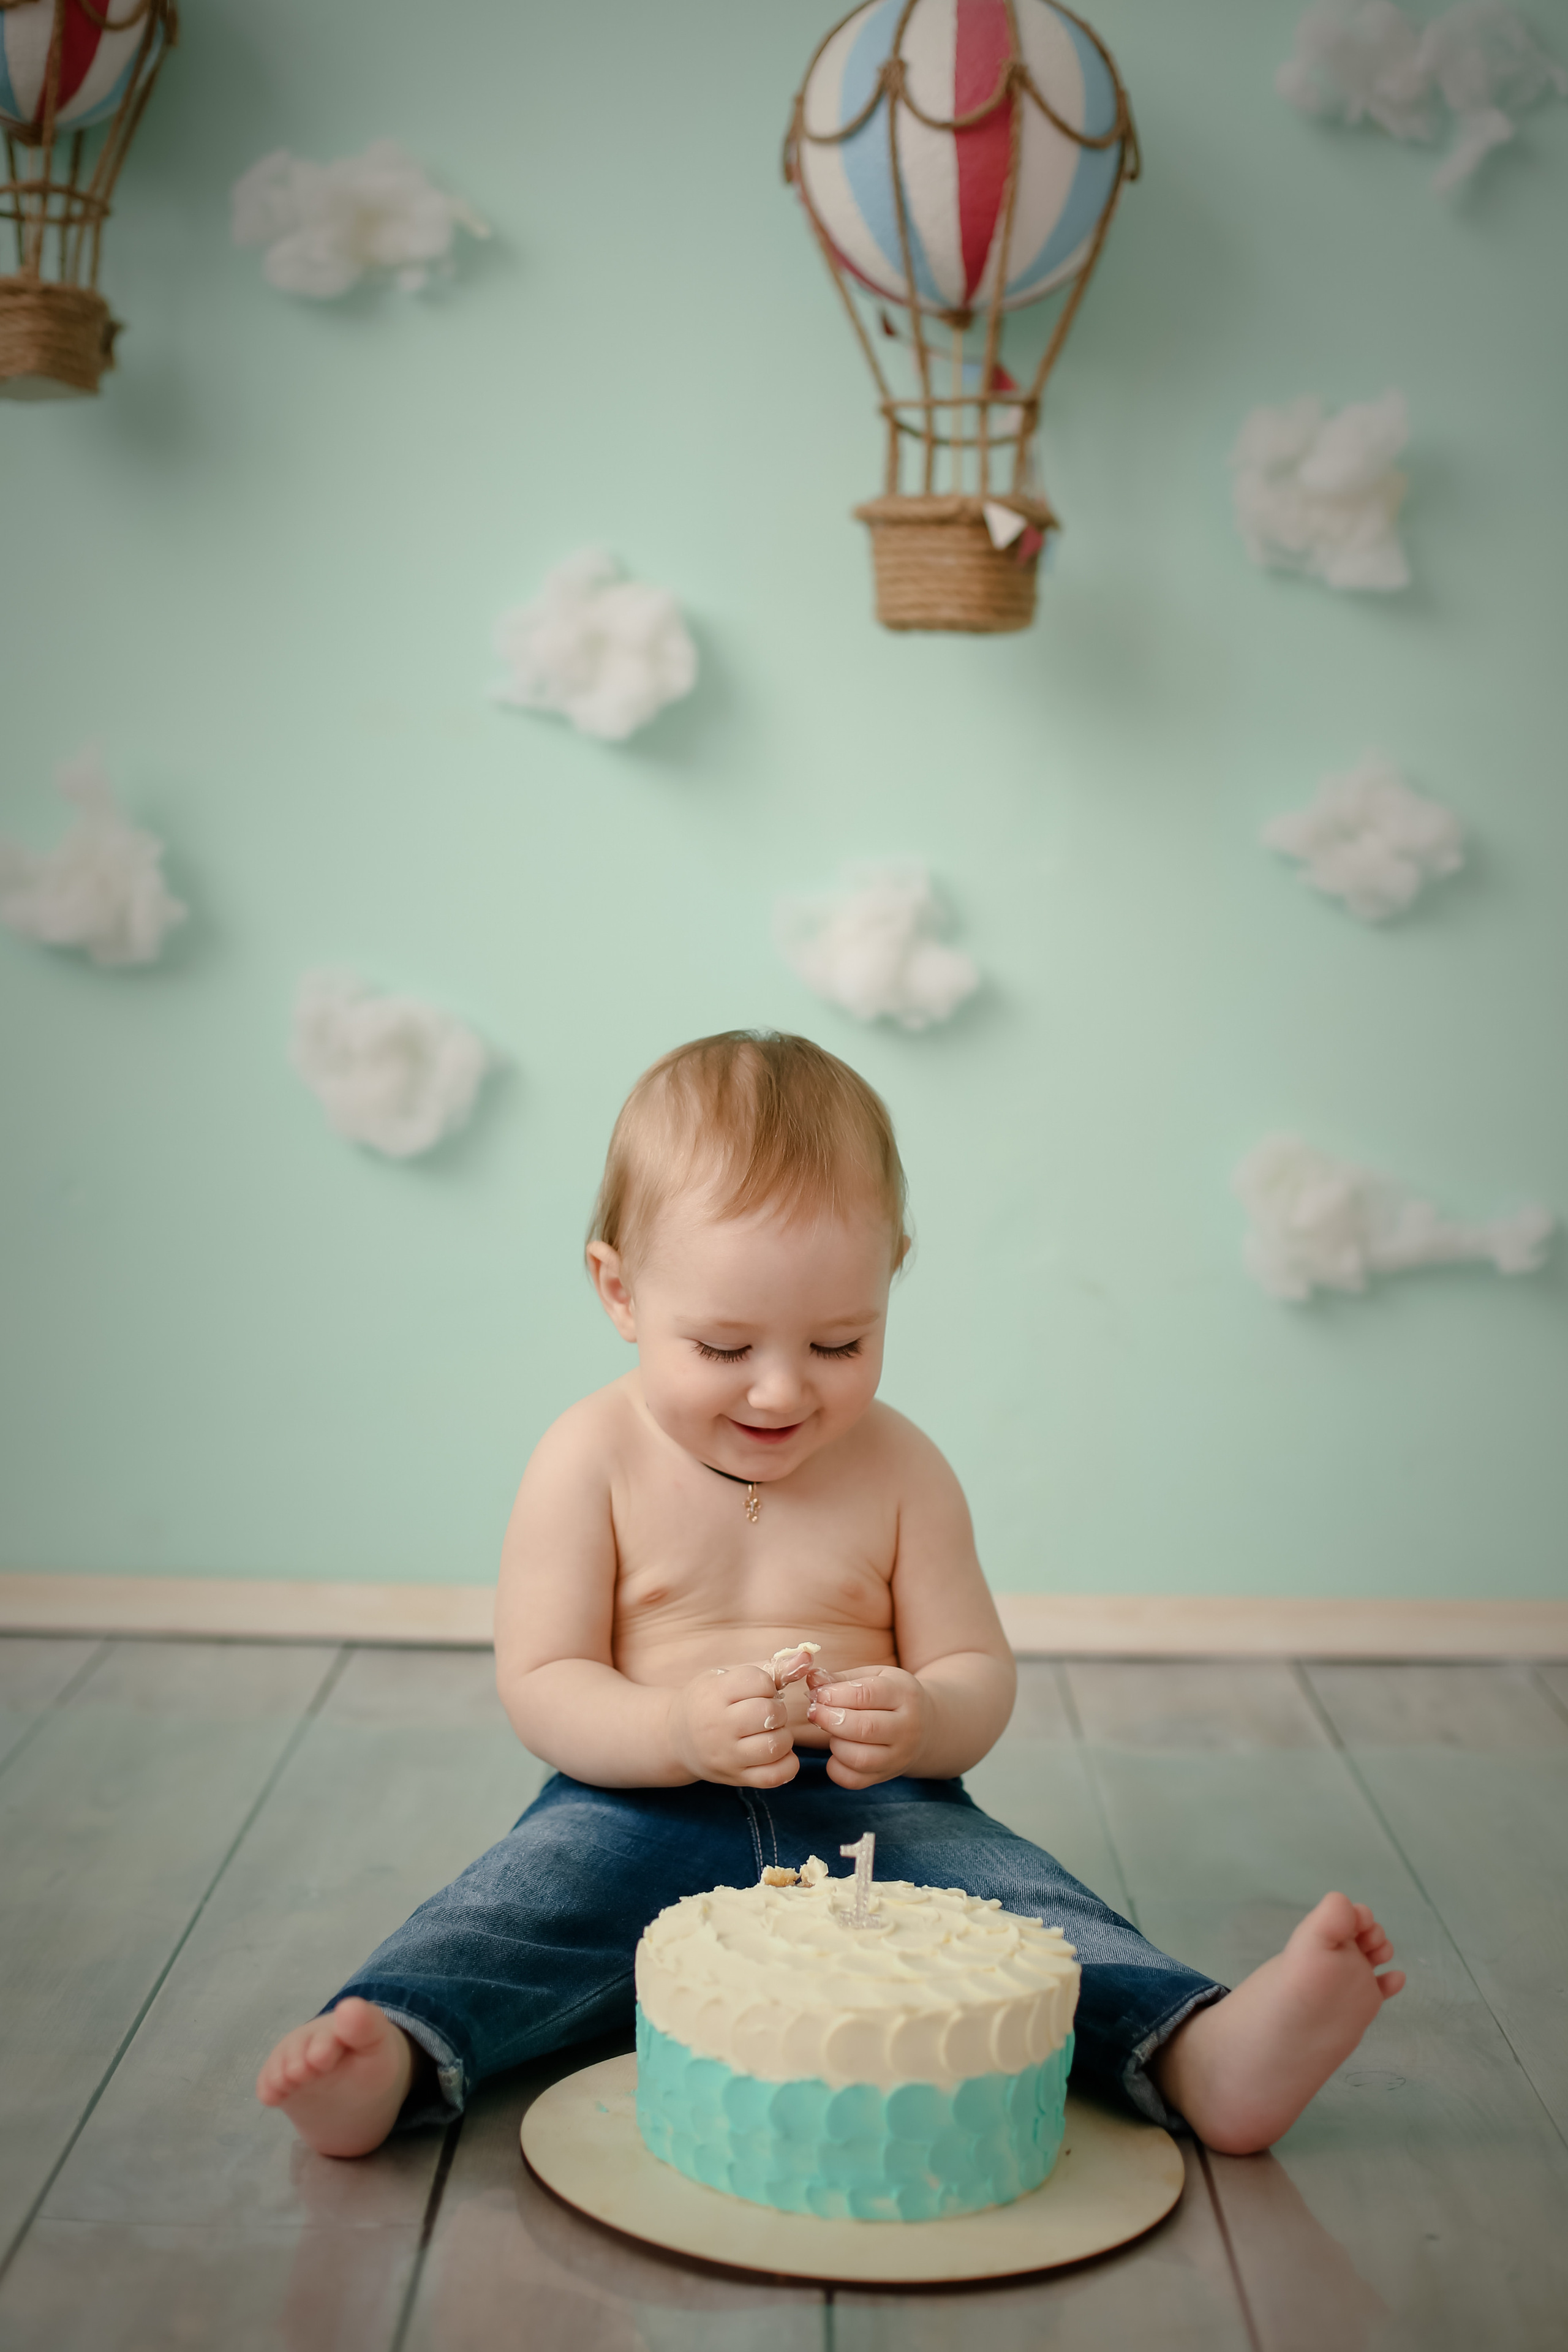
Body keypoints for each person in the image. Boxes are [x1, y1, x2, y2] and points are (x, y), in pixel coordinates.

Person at [257, 1030, 1403, 2160]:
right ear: (619, 1289)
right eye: (721, 1346)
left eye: (841, 1343)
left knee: (1029, 1919)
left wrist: (924, 1715)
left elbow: (977, 1672)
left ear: (890, 1277)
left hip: (883, 1815)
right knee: (510, 1912)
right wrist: (670, 1727)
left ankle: (1197, 2051)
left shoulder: (904, 1468)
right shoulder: (587, 1457)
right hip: (632, 1805)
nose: (779, 1389)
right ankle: (394, 2050)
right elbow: (544, 1682)